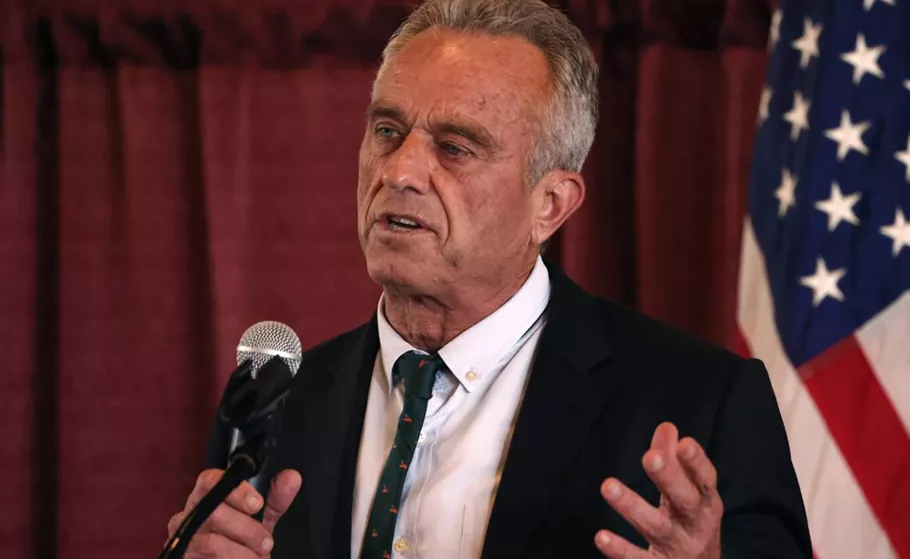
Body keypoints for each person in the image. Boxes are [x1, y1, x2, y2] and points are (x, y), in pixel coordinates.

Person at [166, 0, 813, 557]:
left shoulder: (700, 402)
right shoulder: (283, 399)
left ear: (550, 204)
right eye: (387, 130)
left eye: (455, 147)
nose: (402, 171)